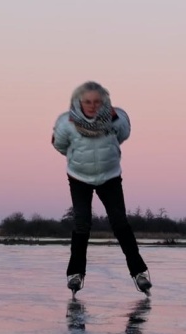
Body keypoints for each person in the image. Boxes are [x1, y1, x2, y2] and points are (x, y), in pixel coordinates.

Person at [52, 81, 151, 296]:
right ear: (79, 102)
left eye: (97, 101)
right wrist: (77, 159)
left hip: (110, 177)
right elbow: (59, 144)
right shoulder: (66, 123)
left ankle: (140, 272)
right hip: (79, 178)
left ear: (104, 102)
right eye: (87, 101)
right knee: (82, 223)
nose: (92, 106)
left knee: (120, 222)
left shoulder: (117, 120)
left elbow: (123, 135)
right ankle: (75, 274)